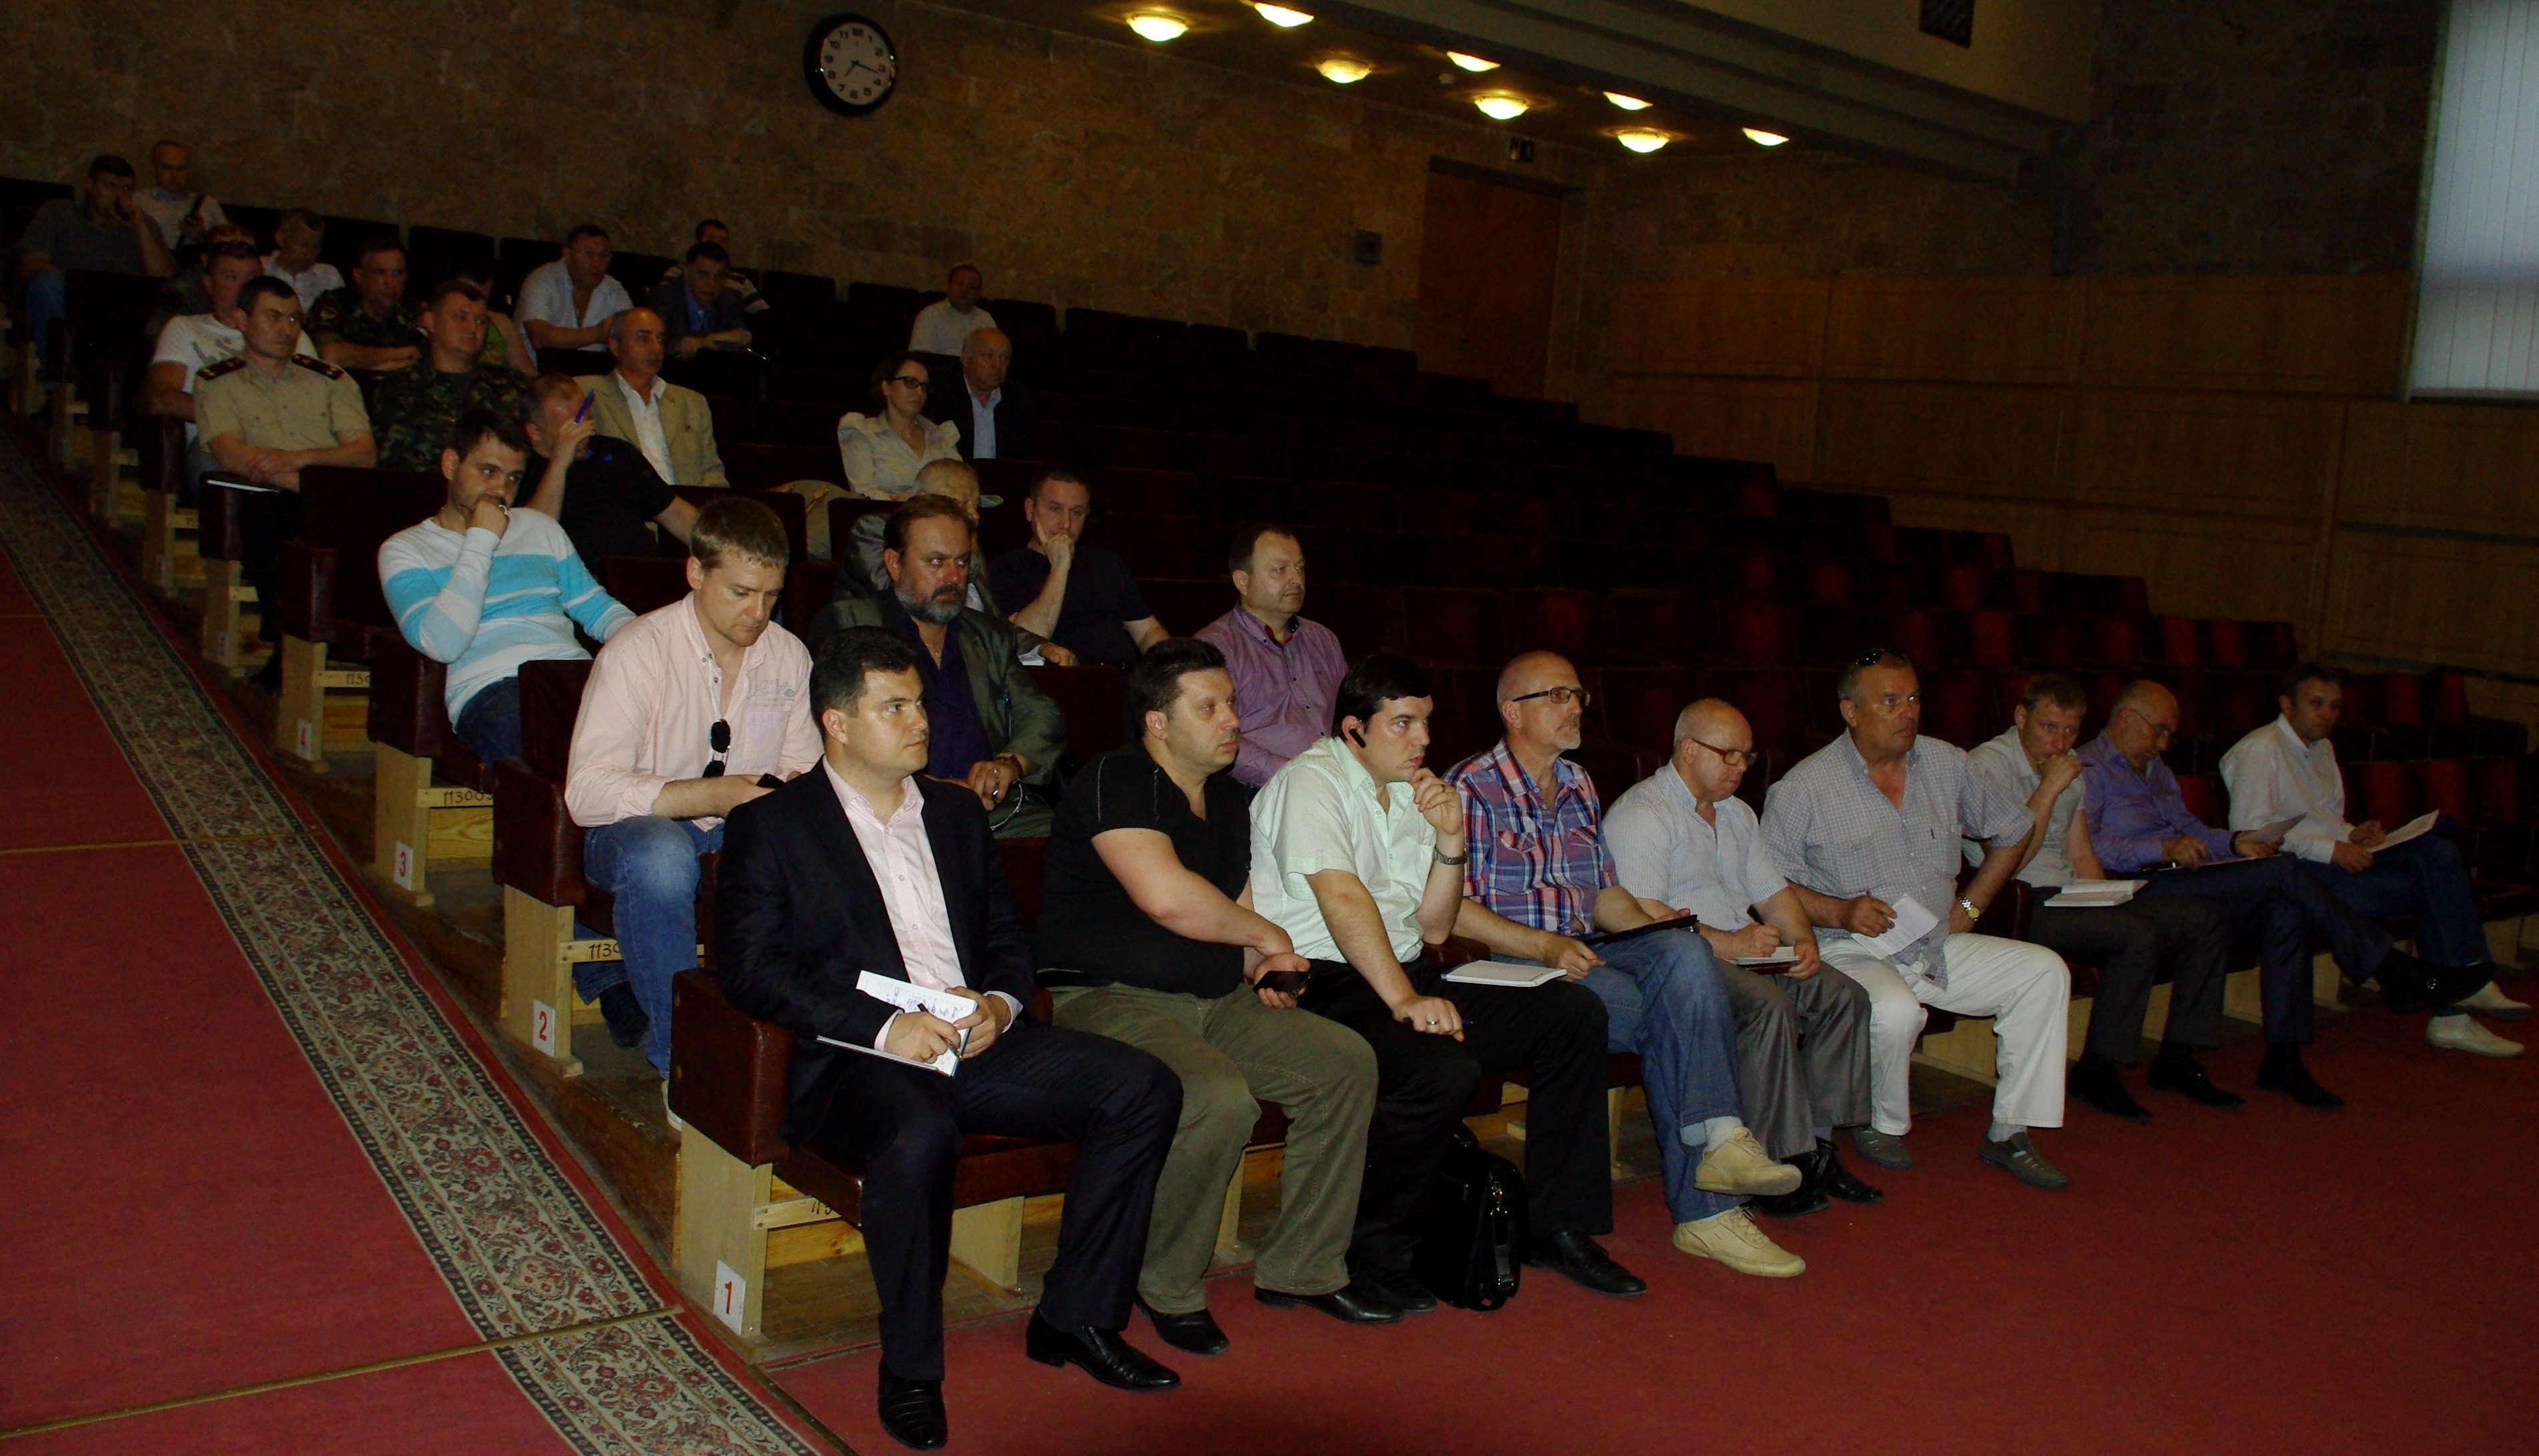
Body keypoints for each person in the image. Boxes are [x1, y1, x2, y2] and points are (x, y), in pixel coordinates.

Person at [718, 626, 1185, 1450]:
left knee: (1143, 1088)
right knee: (920, 1131)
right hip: (862, 1058)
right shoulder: (775, 825)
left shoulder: (958, 812)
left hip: (973, 1040)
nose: (920, 721)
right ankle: (910, 1368)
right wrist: (885, 1026)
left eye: (920, 703)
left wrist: (999, 1005)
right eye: (893, 706)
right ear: (836, 722)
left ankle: (1074, 1318)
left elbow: (1006, 936)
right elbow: (752, 969)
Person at [1250, 653, 1647, 1303]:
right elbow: (1342, 899)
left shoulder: (1413, 790)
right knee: (1437, 1068)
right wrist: (1405, 999)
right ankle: (1369, 1255)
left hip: (1405, 967)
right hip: (1321, 979)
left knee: (1573, 1015)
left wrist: (1451, 839)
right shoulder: (1311, 781)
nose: (1424, 739)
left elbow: (1433, 928)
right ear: (1354, 729)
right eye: (1403, 723)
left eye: (1427, 722)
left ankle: (1559, 1228)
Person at [1039, 638, 1390, 1347]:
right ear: (1157, 722)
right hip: (1109, 1002)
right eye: (1209, 707)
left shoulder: (1230, 799)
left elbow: (1238, 906)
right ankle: (1163, 1284)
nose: (1233, 718)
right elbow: (1168, 898)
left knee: (1345, 1062)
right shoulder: (1116, 777)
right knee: (1215, 1095)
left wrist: (1261, 964)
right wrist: (1267, 937)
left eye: (1230, 702)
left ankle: (1304, 1267)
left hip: (1213, 1002)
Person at [1447, 655, 1807, 1279]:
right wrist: (1542, 946)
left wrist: (1656, 934)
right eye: (1557, 696)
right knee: (1684, 1015)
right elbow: (1448, 909)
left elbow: (1605, 898)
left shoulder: (1578, 783)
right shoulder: (1468, 787)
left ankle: (1722, 1142)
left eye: (1577, 695)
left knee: (1685, 952)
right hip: (1512, 962)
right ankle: (1708, 1208)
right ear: (1513, 712)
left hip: (1585, 948)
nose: (1575, 706)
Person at [2084, 679, 2494, 1107]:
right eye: (2160, 731)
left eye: (2170, 734)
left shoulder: (2157, 771)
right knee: (2283, 872)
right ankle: (2390, 968)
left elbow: (2193, 830)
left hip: (2185, 878)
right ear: (2126, 718)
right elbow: (2091, 846)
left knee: (2288, 911)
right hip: (2135, 886)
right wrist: (2162, 848)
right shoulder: (2091, 768)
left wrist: (2237, 841)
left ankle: (2279, 1058)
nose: (2165, 744)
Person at [1759, 649, 2074, 1189]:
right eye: (1889, 701)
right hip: (1848, 947)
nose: (1907, 712)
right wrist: (1841, 910)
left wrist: (1971, 906)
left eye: (1913, 698)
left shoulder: (1947, 764)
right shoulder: (1804, 787)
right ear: (1851, 712)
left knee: (2044, 972)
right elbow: (1766, 884)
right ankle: (1880, 1123)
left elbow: (2015, 827)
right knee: (1896, 1010)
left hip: (1934, 940)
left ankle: (2009, 1131)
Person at [566, 496, 817, 1078]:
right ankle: (685, 1066)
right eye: (742, 593)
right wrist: (713, 797)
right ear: (696, 572)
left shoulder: (789, 656)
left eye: (772, 595)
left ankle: (805, 1056)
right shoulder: (638, 650)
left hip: (739, 830)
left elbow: (802, 768)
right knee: (661, 854)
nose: (759, 612)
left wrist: (790, 794)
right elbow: (586, 794)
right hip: (630, 836)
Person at [1605, 697, 1882, 1219]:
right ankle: (1773, 1161)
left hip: (1746, 951)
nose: (1740, 767)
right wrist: (1730, 944)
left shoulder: (1737, 813)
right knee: (1767, 1006)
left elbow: (1773, 893)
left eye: (1747, 757)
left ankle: (1816, 1150)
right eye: (1728, 754)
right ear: (1689, 749)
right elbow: (1643, 916)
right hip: (1686, 961)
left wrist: (1803, 939)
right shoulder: (1643, 813)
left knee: (1844, 996)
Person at [1964, 674, 2243, 1117]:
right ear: (2021, 717)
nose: (2060, 742)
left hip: (2066, 893)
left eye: (2070, 731)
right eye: (2049, 727)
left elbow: (2080, 851)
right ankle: (2097, 1070)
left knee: (2203, 921)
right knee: (2137, 935)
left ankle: (2178, 1059)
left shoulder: (2069, 761)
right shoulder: (1986, 765)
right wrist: (2048, 789)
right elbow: (2006, 862)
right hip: (2013, 900)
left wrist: (2109, 896)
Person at [2220, 661, 2529, 1050]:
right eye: (2316, 703)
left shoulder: (2322, 748)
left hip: (2329, 862)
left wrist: (2353, 834)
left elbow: (2325, 819)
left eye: (2335, 706)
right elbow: (2252, 834)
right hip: (2296, 877)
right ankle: (2459, 1003)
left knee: (2438, 850)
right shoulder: (2260, 749)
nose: (2327, 714)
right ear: (2287, 704)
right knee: (2434, 886)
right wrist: (2333, 849)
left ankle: (2464, 990)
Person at [379, 407, 632, 764]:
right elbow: (442, 644)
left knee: (664, 725)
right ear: (451, 465)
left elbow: (598, 610)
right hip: (491, 688)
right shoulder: (406, 550)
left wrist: (655, 643)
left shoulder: (539, 528)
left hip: (571, 674)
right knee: (548, 746)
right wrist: (481, 540)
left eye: (513, 478)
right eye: (488, 472)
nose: (501, 490)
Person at [807, 496, 1065, 838]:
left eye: (962, 561)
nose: (953, 576)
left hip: (994, 813)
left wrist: (1009, 763)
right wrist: (932, 790)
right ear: (894, 564)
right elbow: (837, 738)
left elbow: (1041, 714)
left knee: (1073, 841)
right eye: (936, 561)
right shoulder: (850, 625)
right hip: (892, 811)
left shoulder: (988, 635)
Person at [195, 277, 375, 681]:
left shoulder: (330, 379)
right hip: (271, 494)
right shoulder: (217, 382)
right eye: (273, 317)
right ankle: (285, 645)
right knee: (266, 512)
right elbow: (232, 454)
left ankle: (353, 645)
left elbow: (363, 452)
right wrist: (305, 484)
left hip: (333, 493)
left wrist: (299, 461)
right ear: (241, 320)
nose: (286, 329)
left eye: (294, 319)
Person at [836, 460, 1071, 663]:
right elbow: (909, 600)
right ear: (923, 500)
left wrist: (1038, 647)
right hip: (888, 657)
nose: (974, 515)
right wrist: (969, 555)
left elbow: (988, 623)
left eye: (976, 505)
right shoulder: (874, 528)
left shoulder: (969, 549)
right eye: (960, 503)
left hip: (967, 659)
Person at [1195, 524, 1346, 788]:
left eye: (1300, 568)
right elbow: (1213, 735)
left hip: (1336, 781)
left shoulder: (1323, 639)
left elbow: (1353, 714)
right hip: (1259, 789)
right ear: (1242, 582)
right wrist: (1296, 777)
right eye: (1280, 569)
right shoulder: (1215, 647)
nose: (1296, 579)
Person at [15, 154, 175, 378]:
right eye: (110, 186)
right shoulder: (59, 212)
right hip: (72, 298)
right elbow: (32, 262)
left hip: (123, 308)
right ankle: (56, 380)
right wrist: (72, 281)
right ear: (89, 185)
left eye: (127, 189)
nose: (119, 195)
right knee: (46, 283)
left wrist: (142, 229)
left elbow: (164, 277)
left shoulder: (143, 226)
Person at [518, 374, 699, 570]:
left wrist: (722, 547)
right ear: (535, 432)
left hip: (643, 573)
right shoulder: (520, 469)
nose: (582, 434)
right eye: (569, 429)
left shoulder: (616, 452)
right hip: (575, 578)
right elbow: (532, 539)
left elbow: (675, 513)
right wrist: (559, 464)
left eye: (586, 421)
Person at [990, 470, 1167, 669]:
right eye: (1055, 510)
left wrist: (1176, 665)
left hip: (1121, 676)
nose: (1066, 524)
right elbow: (1025, 640)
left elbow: (1147, 633)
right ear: (1030, 509)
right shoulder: (1006, 568)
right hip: (1063, 679)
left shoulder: (1106, 563)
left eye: (1077, 513)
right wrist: (1060, 565)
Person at [144, 240, 317, 440]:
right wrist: (242, 418)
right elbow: (161, 398)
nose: (244, 287)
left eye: (252, 278)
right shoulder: (185, 328)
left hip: (287, 439)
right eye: (231, 278)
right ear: (209, 284)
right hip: (216, 440)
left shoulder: (289, 333)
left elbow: (318, 396)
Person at [370, 281, 528, 470]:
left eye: (481, 321)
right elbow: (392, 464)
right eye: (460, 317)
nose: (472, 328)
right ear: (430, 322)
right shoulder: (400, 387)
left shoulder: (511, 385)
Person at [577, 310, 730, 487]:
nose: (656, 348)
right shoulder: (586, 393)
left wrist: (699, 500)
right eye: (644, 338)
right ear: (615, 345)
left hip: (687, 500)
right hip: (620, 501)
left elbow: (713, 471)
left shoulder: (692, 403)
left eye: (661, 340)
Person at [838, 352, 962, 499]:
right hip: (882, 514)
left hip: (938, 513)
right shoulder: (862, 431)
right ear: (886, 387)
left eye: (924, 386)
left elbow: (960, 488)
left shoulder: (941, 436)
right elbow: (863, 492)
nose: (919, 392)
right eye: (910, 382)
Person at [515, 225, 632, 367]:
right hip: (538, 373)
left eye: (603, 256)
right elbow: (539, 337)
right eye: (588, 254)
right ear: (567, 254)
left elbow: (632, 333)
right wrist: (597, 333)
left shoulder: (614, 289)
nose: (596, 263)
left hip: (593, 375)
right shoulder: (542, 281)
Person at [306, 238, 422, 372]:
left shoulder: (411, 311)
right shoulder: (336, 303)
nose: (391, 283)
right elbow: (330, 355)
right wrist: (397, 354)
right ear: (359, 276)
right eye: (380, 273)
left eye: (398, 273)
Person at [932, 328, 1037, 462]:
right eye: (989, 356)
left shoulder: (1019, 398)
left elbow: (1024, 456)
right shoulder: (941, 389)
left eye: (1004, 357)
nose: (997, 365)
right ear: (966, 359)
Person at [144, 221, 256, 339]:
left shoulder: (260, 285)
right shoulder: (183, 288)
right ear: (206, 259)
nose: (236, 259)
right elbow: (157, 332)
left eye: (247, 253)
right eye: (226, 252)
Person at [645, 241, 753, 357]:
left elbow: (742, 339)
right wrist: (680, 344)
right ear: (687, 273)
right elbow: (652, 342)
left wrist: (706, 341)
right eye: (703, 275)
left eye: (719, 276)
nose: (711, 284)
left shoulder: (730, 299)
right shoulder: (665, 296)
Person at [656, 219, 768, 313]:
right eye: (711, 239)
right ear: (697, 241)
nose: (717, 244)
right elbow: (661, 303)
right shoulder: (678, 272)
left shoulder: (740, 280)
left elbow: (763, 313)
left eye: (723, 240)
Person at [137, 140, 226, 252]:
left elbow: (227, 245)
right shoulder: (140, 202)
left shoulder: (208, 204)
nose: (175, 175)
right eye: (167, 168)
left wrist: (202, 237)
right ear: (154, 168)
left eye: (181, 169)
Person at [908, 263, 997, 355]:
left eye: (972, 287)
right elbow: (920, 356)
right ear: (948, 287)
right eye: (959, 284)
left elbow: (996, 354)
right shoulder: (931, 315)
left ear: (979, 293)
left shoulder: (986, 319)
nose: (965, 291)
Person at [262, 210, 342, 310]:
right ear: (281, 239)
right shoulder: (261, 269)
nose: (309, 253)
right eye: (303, 245)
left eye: (315, 247)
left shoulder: (329, 276)